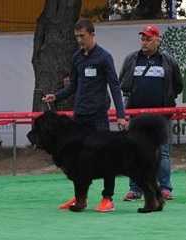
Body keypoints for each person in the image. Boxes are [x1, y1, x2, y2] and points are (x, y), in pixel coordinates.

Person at [43, 19, 128, 212]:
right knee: (77, 160)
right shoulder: (76, 58)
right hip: (79, 118)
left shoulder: (104, 57)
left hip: (99, 117)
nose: (79, 40)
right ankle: (79, 198)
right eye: (77, 37)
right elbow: (73, 86)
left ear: (92, 34)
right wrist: (55, 95)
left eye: (82, 36)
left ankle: (108, 198)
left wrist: (121, 115)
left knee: (106, 158)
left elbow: (114, 86)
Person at [119, 24, 183, 201]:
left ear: (157, 40)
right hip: (136, 116)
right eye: (143, 38)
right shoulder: (131, 59)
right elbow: (122, 82)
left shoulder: (169, 61)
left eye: (148, 38)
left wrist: (167, 100)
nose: (144, 42)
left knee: (162, 152)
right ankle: (135, 189)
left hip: (161, 116)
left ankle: (164, 188)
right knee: (135, 151)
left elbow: (178, 85)